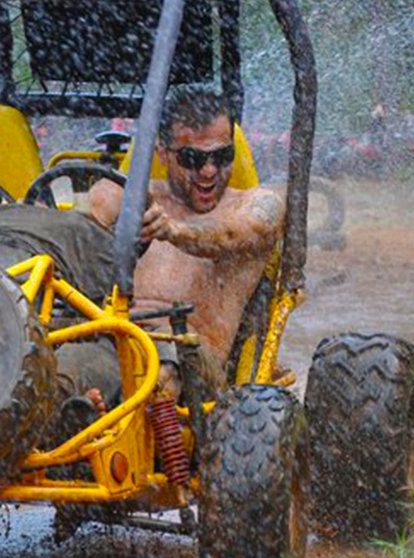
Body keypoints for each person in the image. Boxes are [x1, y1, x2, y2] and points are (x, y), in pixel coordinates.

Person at [60, 85, 285, 408]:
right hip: (112, 338)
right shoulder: (134, 196)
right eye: (193, 158)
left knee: (158, 366)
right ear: (163, 155)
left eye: (222, 156)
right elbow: (88, 216)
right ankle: (75, 415)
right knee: (53, 373)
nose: (209, 171)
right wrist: (95, 211)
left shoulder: (257, 205)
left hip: (189, 354)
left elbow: (231, 236)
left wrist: (174, 230)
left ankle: (105, 419)